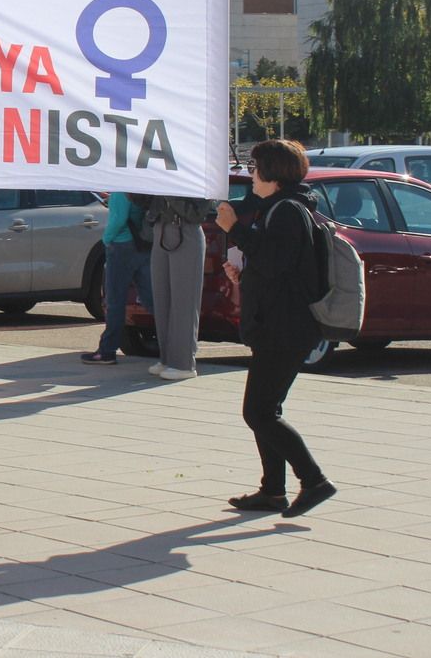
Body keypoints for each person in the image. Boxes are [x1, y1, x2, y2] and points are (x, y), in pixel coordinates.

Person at [216, 139, 337, 519]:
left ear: (273, 174)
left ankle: (314, 480)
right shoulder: (280, 207)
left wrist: (235, 230)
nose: (251, 174)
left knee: (259, 412)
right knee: (268, 408)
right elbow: (274, 266)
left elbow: (276, 262)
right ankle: (272, 490)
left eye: (255, 168)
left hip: (285, 328)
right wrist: (243, 270)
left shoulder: (287, 211)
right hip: (276, 324)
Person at [82, 192, 156, 366]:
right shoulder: (139, 187)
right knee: (151, 299)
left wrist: (106, 240)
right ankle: (173, 345)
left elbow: (118, 219)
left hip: (121, 245)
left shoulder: (120, 191)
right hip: (144, 244)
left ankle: (107, 351)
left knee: (115, 300)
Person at [144, 194, 210, 381]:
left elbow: (197, 214)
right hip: (162, 229)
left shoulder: (198, 176)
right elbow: (144, 202)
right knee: (162, 299)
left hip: (185, 230)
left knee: (184, 301)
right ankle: (167, 359)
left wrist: (168, 192)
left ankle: (183, 363)